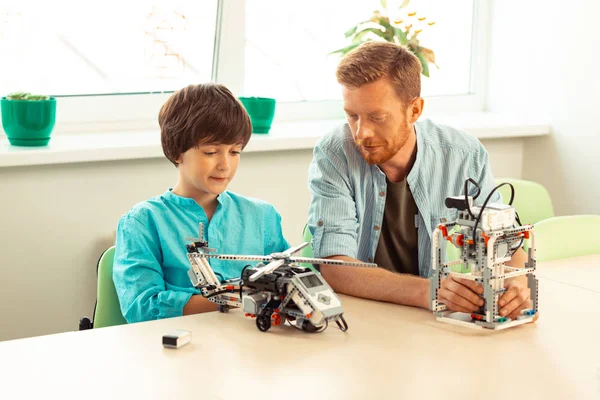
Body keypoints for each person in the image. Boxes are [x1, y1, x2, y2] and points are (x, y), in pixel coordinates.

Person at [307, 42, 534, 320]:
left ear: (414, 110)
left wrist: (516, 283)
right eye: (352, 115)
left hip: (437, 324)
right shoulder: (334, 153)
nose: (361, 132)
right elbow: (334, 266)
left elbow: (505, 244)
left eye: (377, 117)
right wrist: (428, 292)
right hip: (366, 318)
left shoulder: (464, 154)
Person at [114, 83, 290, 323]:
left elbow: (289, 284)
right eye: (210, 152)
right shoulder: (143, 222)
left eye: (235, 152)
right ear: (177, 152)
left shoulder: (262, 216)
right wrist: (236, 301)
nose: (225, 165)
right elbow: (142, 307)